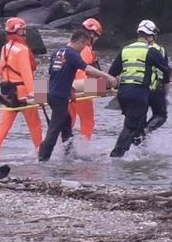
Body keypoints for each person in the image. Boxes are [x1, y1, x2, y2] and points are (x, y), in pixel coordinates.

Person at [107, 20, 172, 157]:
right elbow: (166, 70)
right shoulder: (151, 51)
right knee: (131, 128)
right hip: (139, 94)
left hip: (123, 94)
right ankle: (116, 158)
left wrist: (89, 88)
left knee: (134, 126)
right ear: (151, 36)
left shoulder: (125, 50)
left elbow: (111, 75)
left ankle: (136, 157)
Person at [38, 29, 116, 162]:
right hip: (60, 97)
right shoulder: (73, 54)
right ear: (81, 41)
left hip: (52, 92)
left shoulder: (58, 52)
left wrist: (69, 90)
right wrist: (106, 76)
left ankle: (69, 153)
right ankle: (43, 158)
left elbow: (55, 74)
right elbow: (87, 68)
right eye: (84, 45)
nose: (83, 49)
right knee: (55, 128)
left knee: (66, 123)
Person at [0, 18, 42, 159]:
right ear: (18, 31)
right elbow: (27, 74)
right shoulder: (22, 50)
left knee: (4, 125)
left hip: (8, 90)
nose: (24, 32)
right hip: (23, 90)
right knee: (35, 124)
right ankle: (41, 153)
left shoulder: (5, 48)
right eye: (22, 30)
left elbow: (1, 69)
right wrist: (33, 93)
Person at [69, 18, 103, 140]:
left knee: (68, 121)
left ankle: (62, 147)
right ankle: (85, 148)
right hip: (79, 89)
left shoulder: (70, 46)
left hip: (66, 88)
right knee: (88, 121)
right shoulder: (86, 49)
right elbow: (81, 72)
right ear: (92, 34)